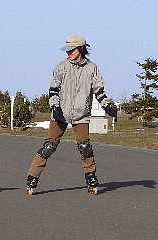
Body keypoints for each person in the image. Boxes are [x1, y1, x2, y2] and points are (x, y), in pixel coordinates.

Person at [26, 35, 117, 195]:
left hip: (81, 115)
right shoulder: (61, 67)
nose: (68, 52)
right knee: (49, 147)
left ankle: (91, 178)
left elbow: (100, 92)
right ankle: (32, 178)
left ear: (81, 49)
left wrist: (107, 105)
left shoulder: (92, 68)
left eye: (71, 49)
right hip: (60, 113)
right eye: (67, 50)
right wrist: (55, 107)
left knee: (85, 148)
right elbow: (53, 90)